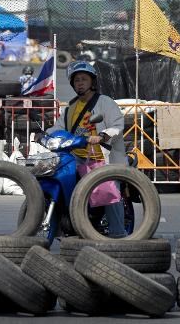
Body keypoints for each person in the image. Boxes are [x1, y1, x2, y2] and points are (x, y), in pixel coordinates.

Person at [46, 60, 131, 238]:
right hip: (77, 158)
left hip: (103, 158)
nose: (80, 83)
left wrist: (102, 136)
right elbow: (59, 128)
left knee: (108, 190)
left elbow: (117, 124)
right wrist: (43, 135)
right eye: (76, 80)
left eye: (84, 79)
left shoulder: (104, 102)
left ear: (92, 82)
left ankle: (118, 233)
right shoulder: (70, 108)